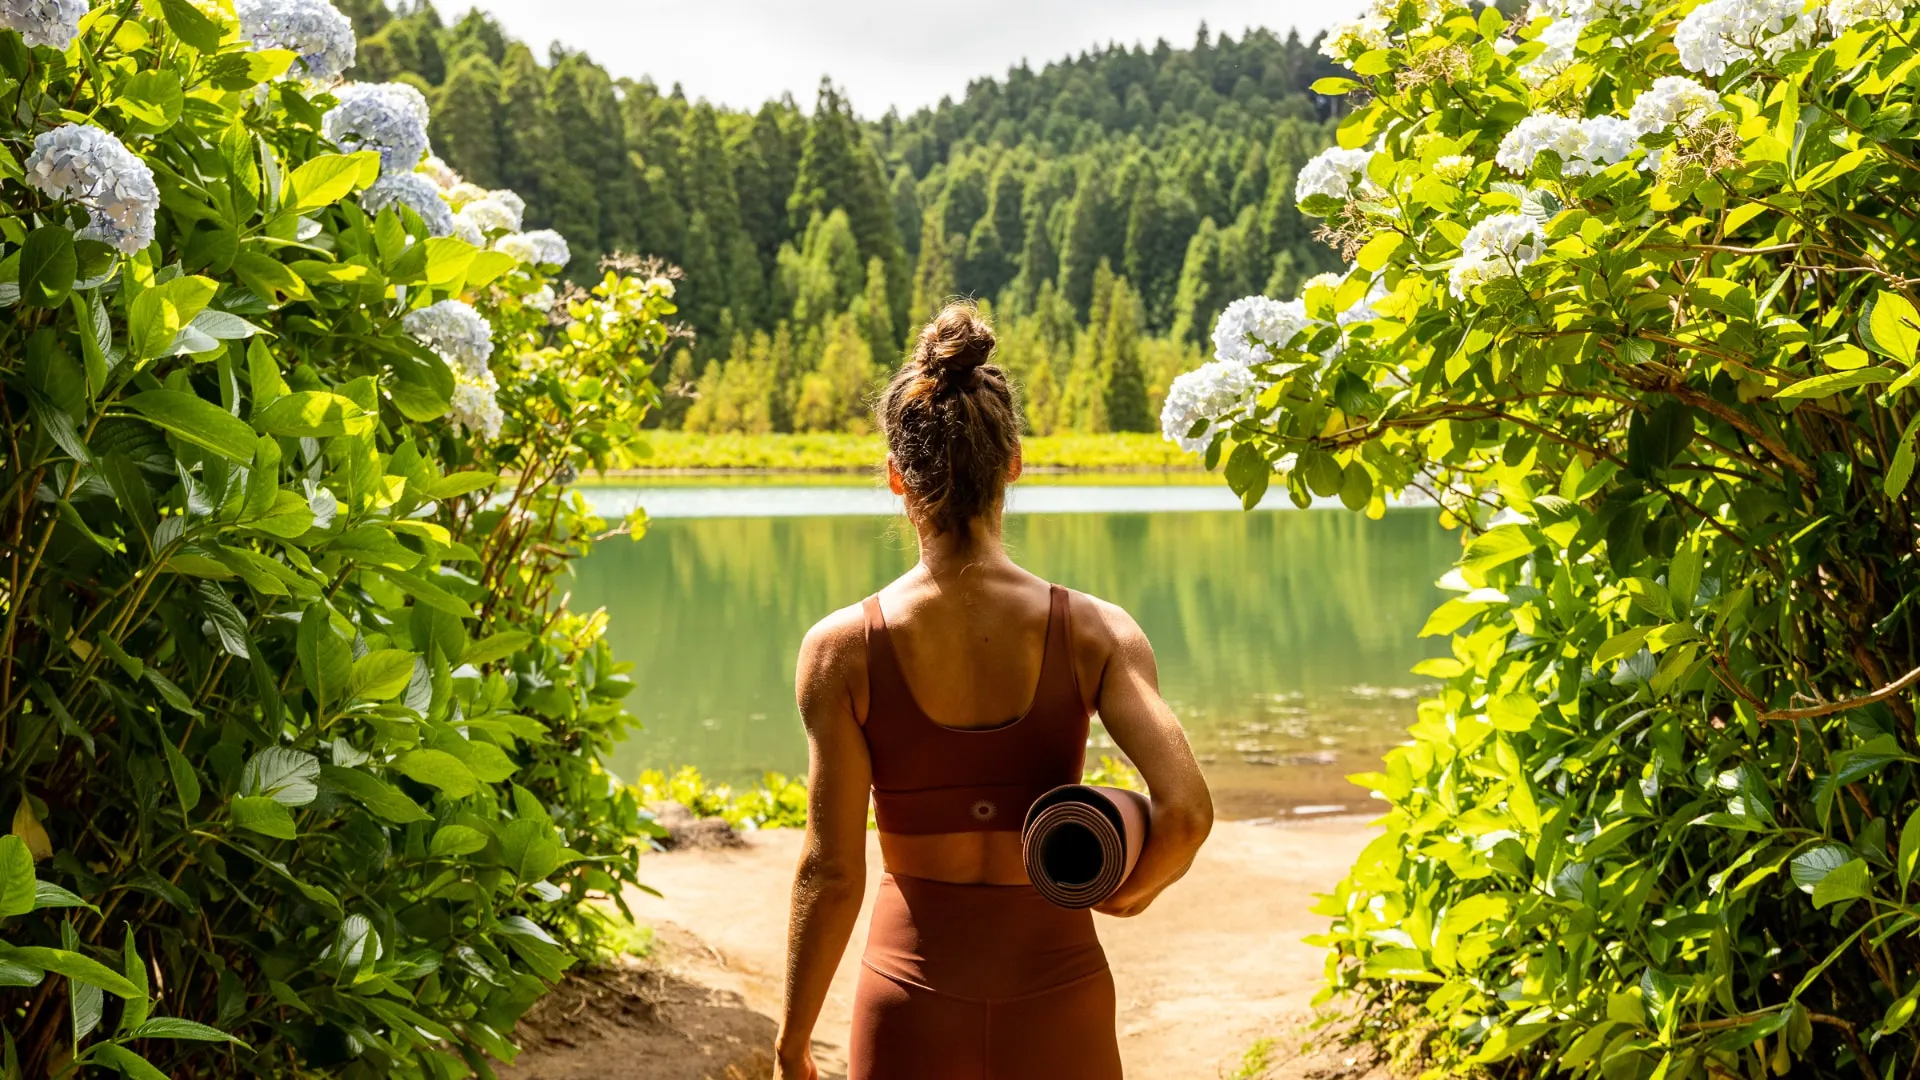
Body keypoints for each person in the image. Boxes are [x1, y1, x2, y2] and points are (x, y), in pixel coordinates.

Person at [773, 301, 1215, 1080]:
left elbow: (831, 871)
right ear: (1014, 463)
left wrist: (793, 1042)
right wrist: (1124, 897)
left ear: (894, 477)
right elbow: (1185, 813)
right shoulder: (1097, 633)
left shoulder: (841, 649)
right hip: (1059, 993)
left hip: (908, 997)